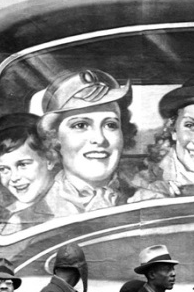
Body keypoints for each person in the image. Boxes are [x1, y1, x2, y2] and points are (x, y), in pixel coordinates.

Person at [37, 69, 157, 216]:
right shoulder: (27, 215)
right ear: (54, 138)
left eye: (110, 125)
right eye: (80, 125)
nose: (99, 139)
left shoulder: (153, 202)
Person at [0, 113, 56, 233]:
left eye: (23, 164)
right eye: (4, 169)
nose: (14, 177)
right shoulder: (3, 213)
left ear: (50, 160)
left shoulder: (62, 206)